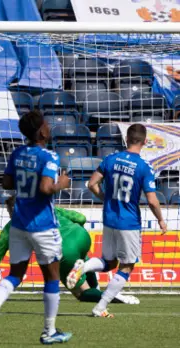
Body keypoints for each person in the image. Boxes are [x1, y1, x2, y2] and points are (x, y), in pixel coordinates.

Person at [0, 110, 72, 345]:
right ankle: (49, 332)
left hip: (19, 223)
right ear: (41, 131)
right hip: (42, 226)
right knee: (51, 277)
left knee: (15, 274)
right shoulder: (49, 156)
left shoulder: (17, 153)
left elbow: (7, 182)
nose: (49, 127)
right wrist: (62, 183)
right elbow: (46, 188)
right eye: (47, 125)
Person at [67, 124, 167, 318]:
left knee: (108, 261)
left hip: (109, 218)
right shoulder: (144, 167)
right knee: (127, 266)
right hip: (128, 222)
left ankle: (84, 266)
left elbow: (91, 184)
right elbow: (153, 200)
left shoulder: (110, 159)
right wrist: (161, 220)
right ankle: (100, 307)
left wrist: (105, 197)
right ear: (145, 142)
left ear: (126, 139)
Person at [0, 197, 139, 305]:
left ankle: (110, 296)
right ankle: (91, 279)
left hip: (63, 250)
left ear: (12, 211)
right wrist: (72, 232)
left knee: (81, 293)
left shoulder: (12, 227)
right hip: (83, 236)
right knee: (81, 259)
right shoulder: (49, 209)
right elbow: (81, 217)